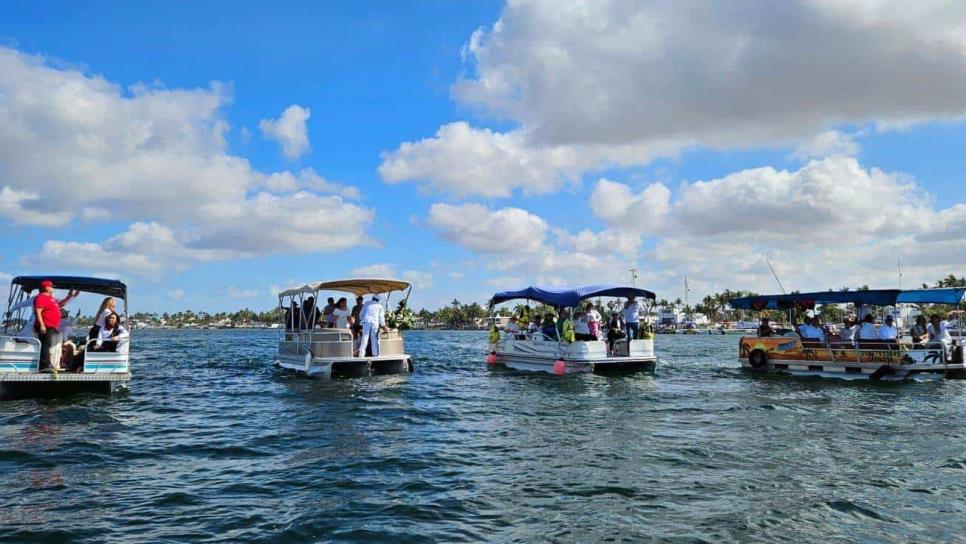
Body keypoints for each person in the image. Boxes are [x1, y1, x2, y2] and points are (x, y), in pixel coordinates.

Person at [33, 280, 64, 371]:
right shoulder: (41, 297)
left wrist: (70, 296)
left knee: (48, 344)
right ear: (46, 288)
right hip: (45, 325)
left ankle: (48, 363)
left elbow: (60, 305)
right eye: (51, 286)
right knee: (45, 344)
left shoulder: (51, 298)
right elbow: (38, 312)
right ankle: (44, 365)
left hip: (51, 326)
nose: (52, 288)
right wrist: (42, 325)